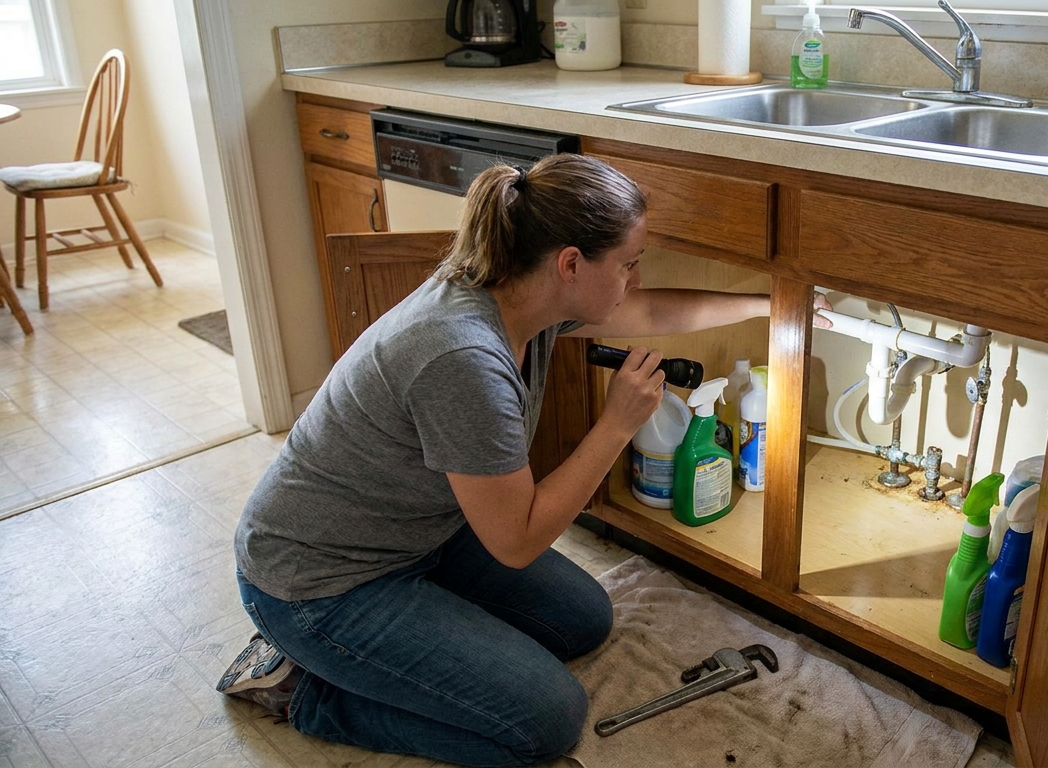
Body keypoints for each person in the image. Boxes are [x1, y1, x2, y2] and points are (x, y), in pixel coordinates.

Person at [216, 153, 826, 766]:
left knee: (583, 620)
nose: (635, 280)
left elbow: (648, 312)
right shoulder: (462, 358)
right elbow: (516, 541)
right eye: (629, 265)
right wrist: (616, 425)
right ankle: (304, 690)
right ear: (569, 265)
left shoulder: (520, 294)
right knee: (545, 721)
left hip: (420, 536)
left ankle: (412, 634)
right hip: (319, 582)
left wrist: (767, 303)